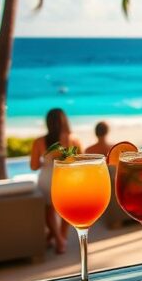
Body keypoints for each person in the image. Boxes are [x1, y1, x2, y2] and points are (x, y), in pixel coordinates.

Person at [30, 109, 83, 254]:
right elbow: (82, 161)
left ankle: (58, 239)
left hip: (47, 177)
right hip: (66, 178)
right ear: (65, 121)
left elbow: (33, 166)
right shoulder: (73, 139)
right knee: (66, 209)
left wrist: (46, 162)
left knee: (49, 211)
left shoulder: (39, 141)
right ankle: (61, 238)